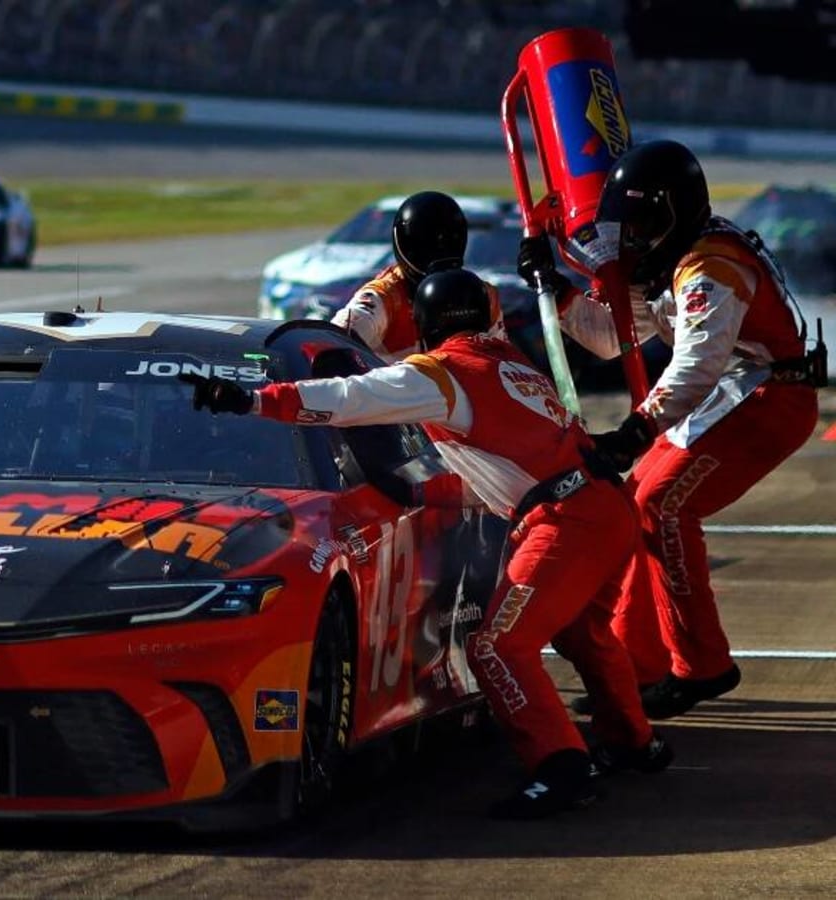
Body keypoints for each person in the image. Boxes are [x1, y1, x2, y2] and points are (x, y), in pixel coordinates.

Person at [184, 269, 670, 819]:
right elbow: (503, 465)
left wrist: (254, 401)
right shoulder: (511, 365)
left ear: (429, 322)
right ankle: (633, 742)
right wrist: (424, 488)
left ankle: (562, 769)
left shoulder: (442, 372)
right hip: (599, 505)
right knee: (583, 632)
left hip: (568, 519)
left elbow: (349, 399)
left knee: (497, 646)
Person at [520, 140, 823, 719]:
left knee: (663, 504)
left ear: (673, 214)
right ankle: (641, 664)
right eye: (626, 226)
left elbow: (696, 365)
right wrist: (556, 291)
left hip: (769, 399)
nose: (631, 239)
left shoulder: (710, 269)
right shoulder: (682, 256)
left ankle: (702, 667)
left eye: (641, 225)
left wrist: (637, 429)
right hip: (742, 391)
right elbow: (614, 340)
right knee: (637, 503)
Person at [331, 191, 504, 360]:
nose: (438, 254)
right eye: (426, 246)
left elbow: (500, 362)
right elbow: (332, 345)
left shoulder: (483, 296)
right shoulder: (383, 297)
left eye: (447, 243)